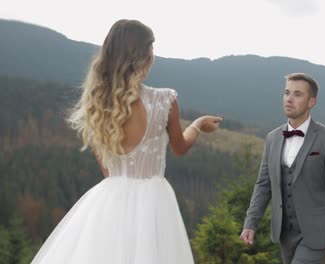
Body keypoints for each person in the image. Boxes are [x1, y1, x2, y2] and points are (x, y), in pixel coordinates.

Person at [31, 19, 222, 263]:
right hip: (154, 201)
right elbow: (180, 147)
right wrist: (198, 125)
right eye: (151, 48)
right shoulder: (165, 100)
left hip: (109, 202)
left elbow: (107, 170)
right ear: (144, 55)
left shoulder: (98, 104)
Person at [240, 73, 325, 264]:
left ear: (311, 102)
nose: (289, 99)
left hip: (317, 234)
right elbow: (263, 185)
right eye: (286, 92)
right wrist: (251, 223)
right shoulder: (272, 138)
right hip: (284, 234)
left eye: (297, 94)